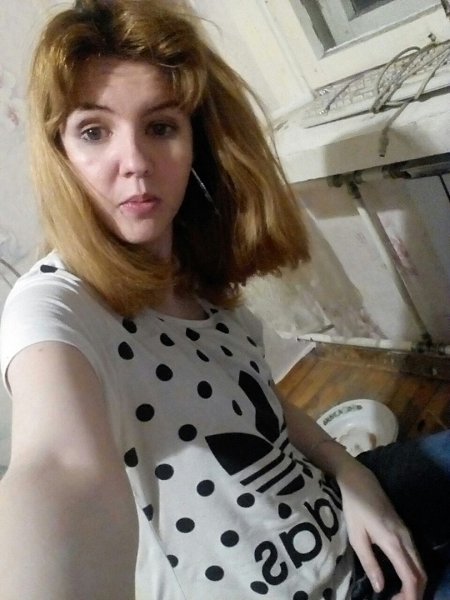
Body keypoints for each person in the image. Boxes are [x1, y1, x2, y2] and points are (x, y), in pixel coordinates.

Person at [0, 0, 448, 598]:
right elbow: (59, 469)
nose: (135, 163)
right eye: (94, 132)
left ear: (197, 143)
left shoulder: (198, 279)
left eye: (161, 127)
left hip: (341, 512)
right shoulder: (55, 306)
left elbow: (258, 404)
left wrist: (348, 471)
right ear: (59, 153)